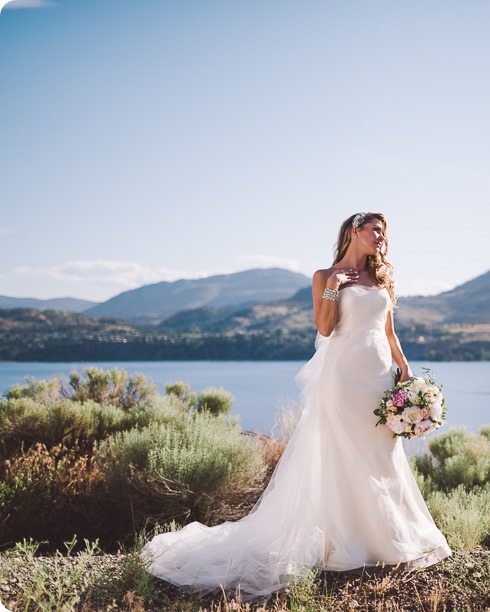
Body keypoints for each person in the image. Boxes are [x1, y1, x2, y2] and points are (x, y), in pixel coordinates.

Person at [142, 212, 451, 598]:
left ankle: (386, 537)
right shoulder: (325, 275)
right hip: (343, 378)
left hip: (379, 378)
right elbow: (324, 328)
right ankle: (345, 541)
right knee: (344, 452)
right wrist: (334, 288)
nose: (381, 238)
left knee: (381, 452)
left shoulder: (382, 277)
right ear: (355, 232)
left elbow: (388, 329)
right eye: (375, 230)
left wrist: (403, 367)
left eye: (384, 233)